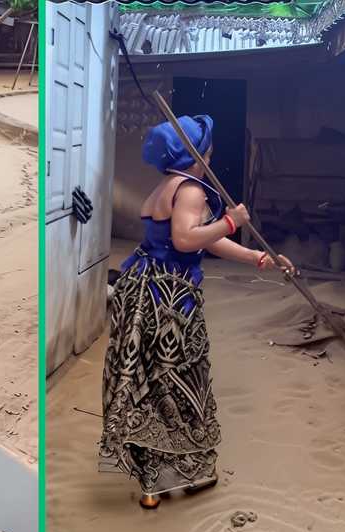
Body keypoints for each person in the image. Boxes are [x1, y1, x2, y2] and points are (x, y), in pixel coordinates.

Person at [99, 115, 295, 510]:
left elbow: (209, 243)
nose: (210, 154)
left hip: (142, 290)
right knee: (180, 380)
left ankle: (153, 486)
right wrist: (230, 221)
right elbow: (187, 240)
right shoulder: (191, 190)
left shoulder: (164, 188)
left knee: (150, 384)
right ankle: (181, 476)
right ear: (193, 156)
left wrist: (259, 257)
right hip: (170, 302)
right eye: (206, 149)